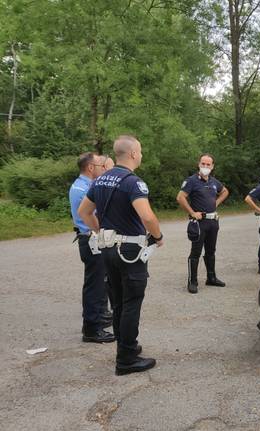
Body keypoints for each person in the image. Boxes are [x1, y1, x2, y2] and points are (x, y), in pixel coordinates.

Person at [78, 135, 163, 375]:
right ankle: (126, 359)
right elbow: (147, 216)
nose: (142, 155)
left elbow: (84, 211)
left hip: (107, 248)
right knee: (131, 303)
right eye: (141, 151)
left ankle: (127, 347)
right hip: (130, 252)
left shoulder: (101, 179)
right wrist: (157, 236)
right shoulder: (133, 182)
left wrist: (100, 231)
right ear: (134, 153)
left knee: (117, 303)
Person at [69, 152, 114, 343]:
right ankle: (91, 329)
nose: (101, 168)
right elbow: (94, 215)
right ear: (90, 168)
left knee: (98, 281)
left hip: (88, 238)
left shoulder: (82, 185)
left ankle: (99, 316)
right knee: (94, 285)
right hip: (91, 239)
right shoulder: (85, 189)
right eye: (98, 165)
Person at [177, 153, 229, 293]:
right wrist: (192, 212)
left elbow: (224, 191)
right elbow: (180, 197)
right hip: (199, 223)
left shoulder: (213, 181)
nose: (205, 166)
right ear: (199, 164)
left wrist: (215, 203)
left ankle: (211, 278)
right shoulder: (191, 181)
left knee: (211, 251)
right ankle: (192, 281)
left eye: (208, 164)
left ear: (212, 166)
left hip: (213, 222)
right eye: (203, 164)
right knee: (195, 252)